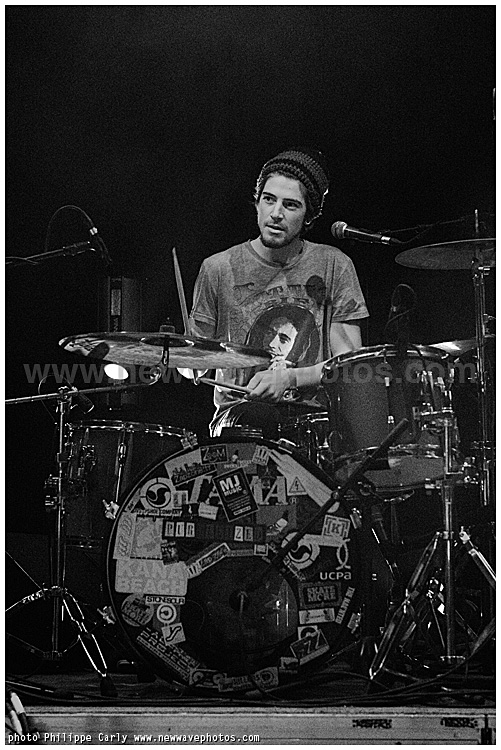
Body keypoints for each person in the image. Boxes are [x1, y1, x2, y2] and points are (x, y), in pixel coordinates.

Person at [182, 148, 369, 438]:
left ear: (308, 216)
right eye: (269, 200)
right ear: (257, 203)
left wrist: (289, 378)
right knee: (255, 416)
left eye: (290, 205)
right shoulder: (218, 268)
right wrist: (180, 356)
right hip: (238, 417)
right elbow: (194, 365)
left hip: (314, 420)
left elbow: (349, 364)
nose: (276, 213)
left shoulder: (334, 265)